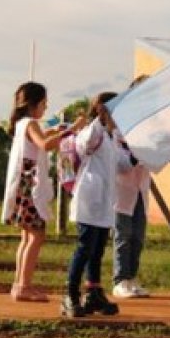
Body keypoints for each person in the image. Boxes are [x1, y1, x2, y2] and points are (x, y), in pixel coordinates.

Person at [1, 81, 81, 302]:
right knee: (36, 235)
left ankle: (19, 284)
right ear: (33, 104)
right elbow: (45, 144)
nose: (46, 108)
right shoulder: (30, 123)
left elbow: (40, 139)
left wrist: (56, 131)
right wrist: (71, 131)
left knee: (27, 236)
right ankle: (24, 286)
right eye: (44, 103)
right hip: (30, 186)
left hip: (22, 185)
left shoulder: (22, 124)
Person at [61, 92, 131, 317]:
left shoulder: (111, 136)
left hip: (104, 202)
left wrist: (142, 153)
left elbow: (122, 162)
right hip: (89, 200)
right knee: (84, 248)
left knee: (98, 249)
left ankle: (93, 293)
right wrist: (100, 120)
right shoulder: (93, 131)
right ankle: (70, 295)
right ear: (103, 110)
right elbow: (84, 145)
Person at [112, 75, 153, 299]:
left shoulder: (151, 124)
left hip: (141, 186)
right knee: (123, 234)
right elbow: (118, 158)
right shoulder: (120, 123)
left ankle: (132, 277)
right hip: (123, 186)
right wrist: (138, 155)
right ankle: (120, 279)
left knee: (138, 235)